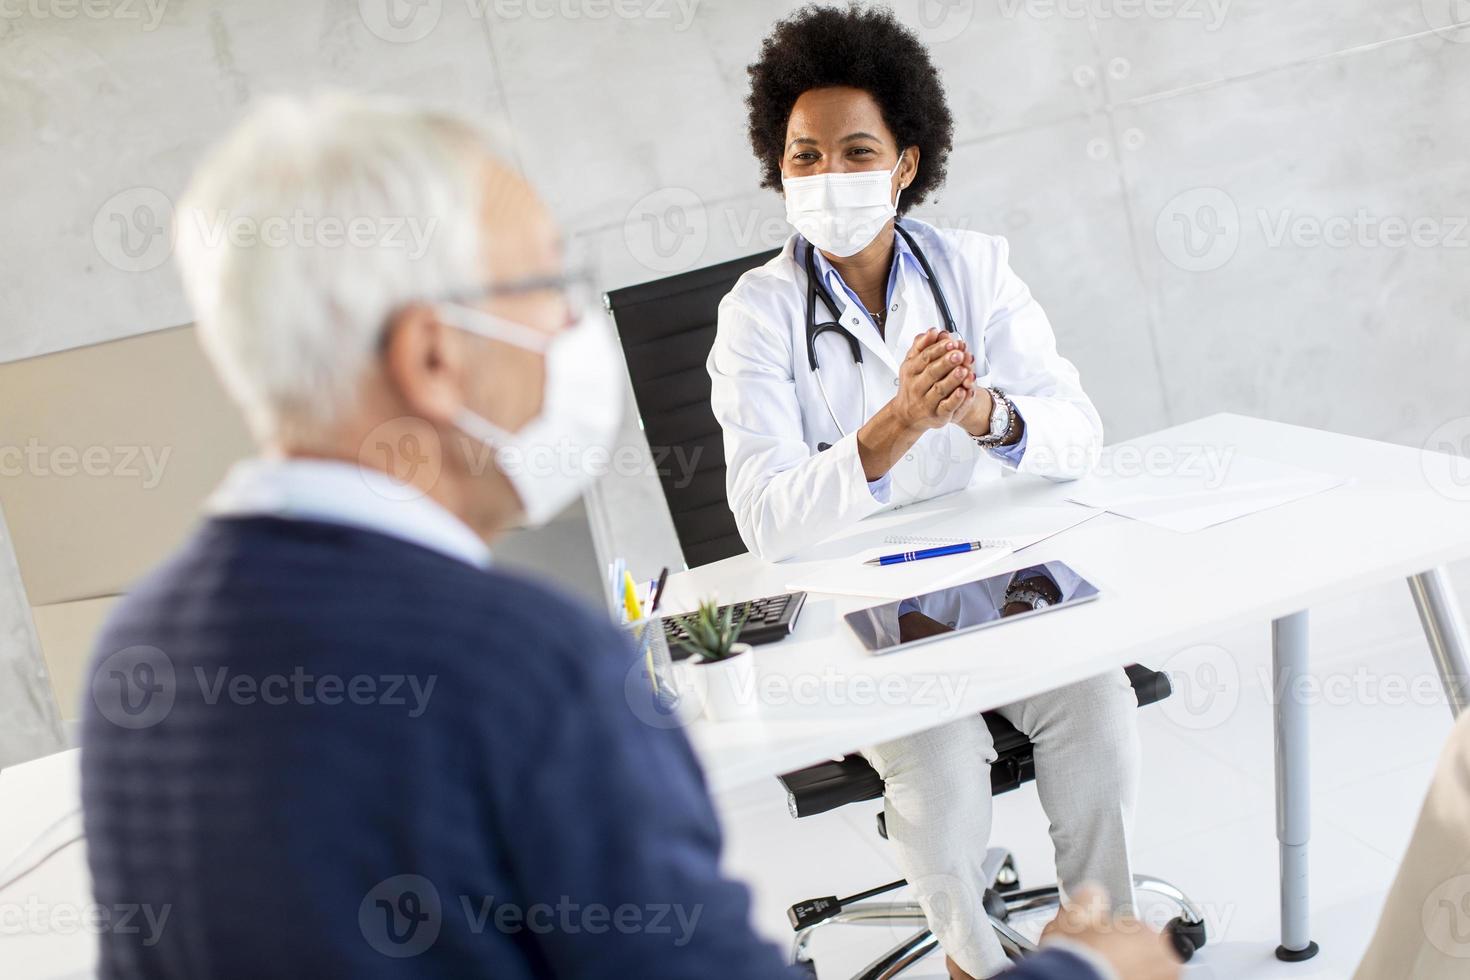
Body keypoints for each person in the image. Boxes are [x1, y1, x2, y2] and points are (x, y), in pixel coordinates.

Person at [78, 91, 1174, 980]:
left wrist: (985, 417)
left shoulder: (141, 657)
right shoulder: (532, 668)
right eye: (544, 289)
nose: (571, 331)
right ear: (430, 357)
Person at [708, 7, 1144, 978]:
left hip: (999, 569)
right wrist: (894, 425)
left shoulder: (976, 268)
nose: (825, 176)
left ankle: (1096, 945)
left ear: (905, 162)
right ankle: (974, 960)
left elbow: (1079, 434)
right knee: (943, 776)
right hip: (867, 598)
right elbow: (766, 518)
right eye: (804, 155)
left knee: (1100, 718)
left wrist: (986, 413)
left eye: (855, 151)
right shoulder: (760, 314)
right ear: (777, 167)